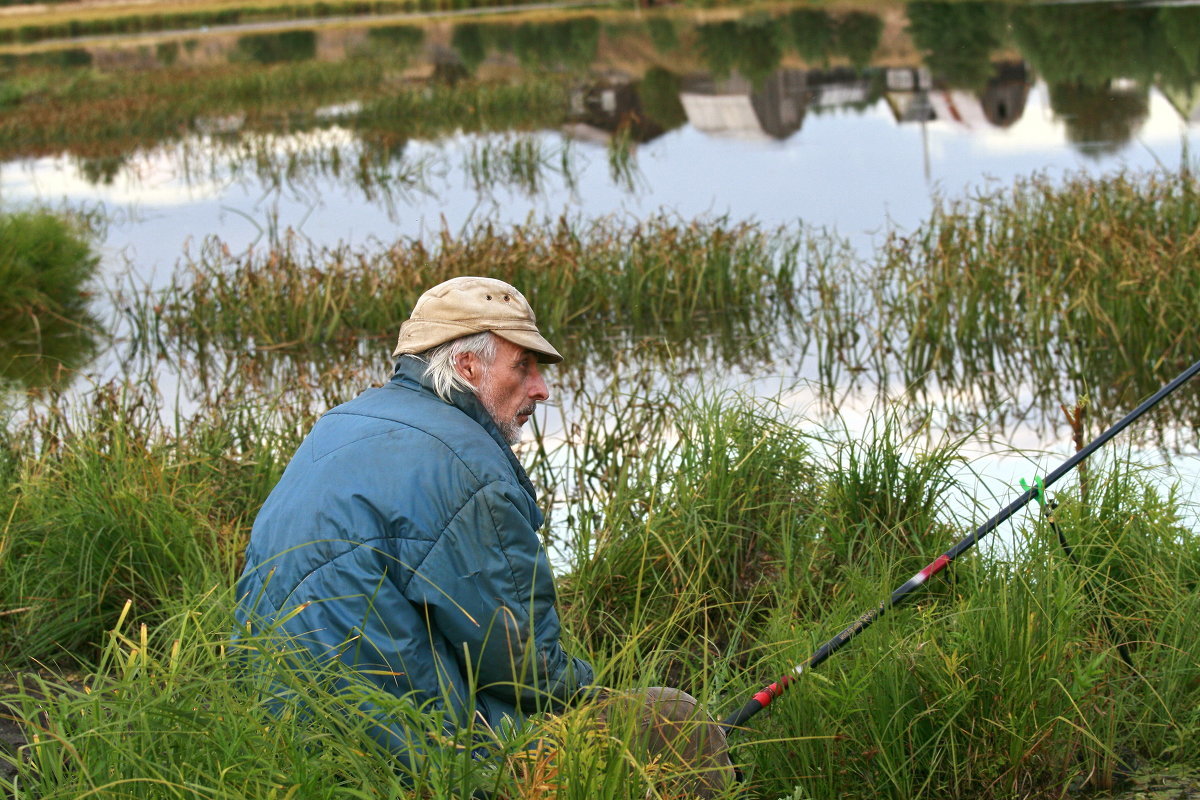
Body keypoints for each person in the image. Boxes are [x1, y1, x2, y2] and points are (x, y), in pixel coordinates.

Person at [234, 276, 734, 795]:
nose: (541, 388)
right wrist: (593, 691)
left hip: (282, 737)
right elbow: (524, 668)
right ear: (467, 367)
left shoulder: (338, 424)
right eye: (523, 366)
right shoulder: (469, 470)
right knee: (673, 718)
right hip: (411, 756)